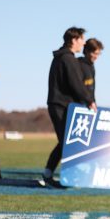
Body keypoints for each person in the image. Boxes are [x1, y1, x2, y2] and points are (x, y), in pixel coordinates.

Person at [41, 27, 96, 188]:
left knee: (65, 141)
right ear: (74, 40)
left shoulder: (63, 57)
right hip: (61, 105)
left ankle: (48, 174)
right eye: (81, 39)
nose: (84, 42)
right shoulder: (67, 59)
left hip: (61, 104)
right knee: (66, 141)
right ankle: (53, 176)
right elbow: (76, 84)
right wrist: (89, 100)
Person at [78, 38, 104, 102]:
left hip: (88, 104)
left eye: (98, 54)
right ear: (87, 51)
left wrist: (92, 102)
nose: (96, 57)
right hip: (77, 104)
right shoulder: (77, 64)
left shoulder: (91, 66)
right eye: (94, 53)